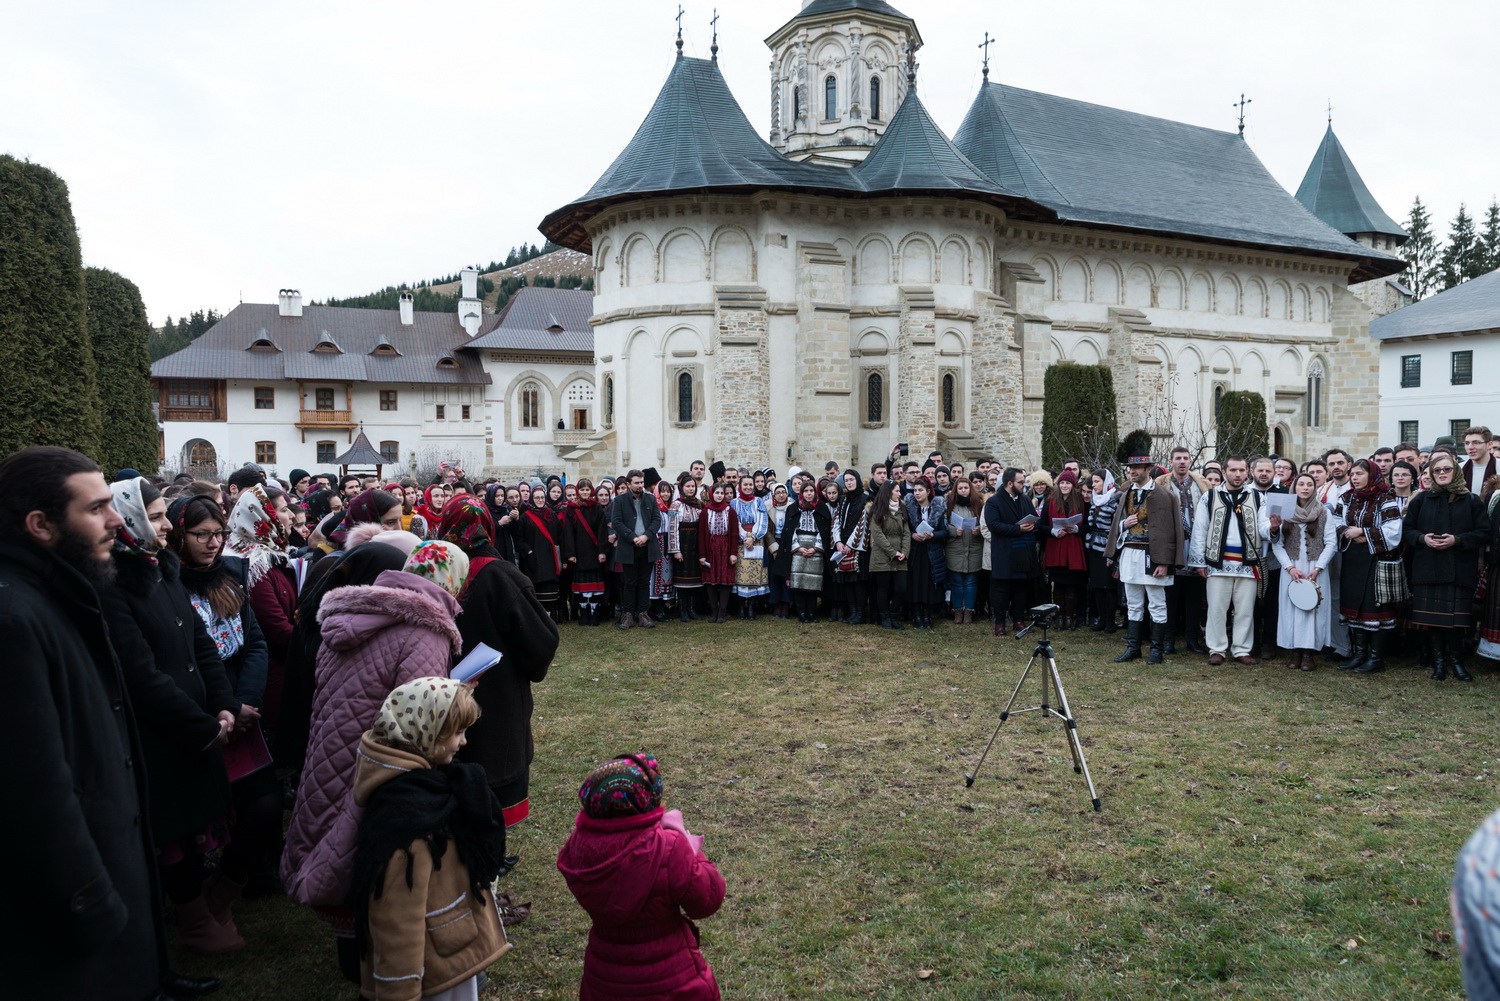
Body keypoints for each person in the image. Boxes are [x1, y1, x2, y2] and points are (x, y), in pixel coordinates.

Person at [0, 448, 178, 1001]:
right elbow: (34, 791)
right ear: (41, 525)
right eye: (97, 508)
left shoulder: (62, 592)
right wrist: (91, 900)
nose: (120, 519)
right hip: (75, 914)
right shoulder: (14, 619)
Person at [281, 549, 463, 983]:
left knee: (337, 843)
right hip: (381, 764)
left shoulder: (348, 618)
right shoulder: (425, 632)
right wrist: (456, 698)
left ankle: (352, 957)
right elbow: (419, 723)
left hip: (331, 751)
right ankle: (382, 971)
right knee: (374, 855)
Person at [101, 477, 247, 954]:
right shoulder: (115, 581)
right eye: (158, 516)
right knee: (174, 832)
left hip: (198, 719)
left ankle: (200, 910)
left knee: (199, 823)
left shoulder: (159, 568)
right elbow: (140, 672)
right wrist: (202, 724)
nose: (167, 526)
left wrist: (222, 703)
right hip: (162, 731)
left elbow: (198, 643)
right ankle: (190, 917)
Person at [349, 678, 510, 1000]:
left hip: (450, 952)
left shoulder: (430, 785)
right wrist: (400, 991)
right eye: (458, 733)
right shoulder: (406, 818)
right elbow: (395, 920)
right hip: (432, 974)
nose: (464, 743)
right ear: (426, 731)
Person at [170, 491, 281, 931]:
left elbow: (253, 641)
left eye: (218, 534)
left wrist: (246, 701)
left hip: (243, 705)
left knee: (264, 807)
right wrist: (223, 708)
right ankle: (193, 907)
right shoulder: (167, 586)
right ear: (180, 534)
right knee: (201, 818)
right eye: (201, 535)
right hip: (201, 712)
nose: (213, 543)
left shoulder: (230, 573)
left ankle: (227, 887)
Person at [437, 494, 559, 844]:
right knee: (492, 779)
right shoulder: (499, 575)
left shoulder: (437, 570)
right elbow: (540, 640)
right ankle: (486, 857)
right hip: (496, 697)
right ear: (487, 526)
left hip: (442, 695)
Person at [557, 754, 725, 1001]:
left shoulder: (579, 848)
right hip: (672, 979)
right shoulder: (668, 847)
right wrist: (690, 850)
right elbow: (706, 901)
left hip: (605, 977)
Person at [1403, 453, 1487, 681]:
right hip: (1427, 569)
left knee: (1456, 622)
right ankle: (1439, 664)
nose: (1441, 473)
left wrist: (1457, 540)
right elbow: (1407, 530)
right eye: (1437, 470)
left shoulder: (1471, 500)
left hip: (1458, 570)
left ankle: (1458, 663)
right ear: (1430, 474)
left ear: (1456, 471)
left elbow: (1483, 533)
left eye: (1446, 469)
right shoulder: (1421, 500)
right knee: (1433, 621)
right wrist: (1423, 539)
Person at [1106, 432, 1184, 664]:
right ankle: (1134, 648)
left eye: (1137, 468)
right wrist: (1124, 524)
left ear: (1148, 469)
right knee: (1134, 604)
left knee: (1158, 604)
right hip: (1130, 553)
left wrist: (1165, 562)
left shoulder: (1166, 496)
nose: (1132, 472)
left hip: (1154, 557)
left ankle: (1156, 651)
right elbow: (1117, 526)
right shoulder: (1126, 493)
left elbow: (1174, 531)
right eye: (1130, 468)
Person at [1188, 457, 1267, 666]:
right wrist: (1199, 561)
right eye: (1233, 470)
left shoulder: (1257, 497)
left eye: (1242, 470)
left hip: (1248, 562)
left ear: (1247, 473)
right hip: (1218, 561)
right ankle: (1217, 648)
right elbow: (1200, 530)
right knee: (1216, 609)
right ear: (1224, 472)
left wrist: (1274, 527)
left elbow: (1264, 528)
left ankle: (1241, 649)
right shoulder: (1211, 496)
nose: (1238, 474)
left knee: (1245, 609)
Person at [1330, 460, 1404, 675]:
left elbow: (1393, 530)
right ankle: (1359, 654)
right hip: (1352, 558)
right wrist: (1347, 531)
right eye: (1352, 474)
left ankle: (1375, 658)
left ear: (1371, 475)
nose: (1354, 477)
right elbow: (1334, 520)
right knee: (1354, 605)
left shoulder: (1385, 499)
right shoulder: (1346, 498)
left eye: (1360, 474)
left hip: (1375, 560)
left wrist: (1363, 532)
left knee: (1374, 607)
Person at [1263, 473, 1336, 670]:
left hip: (1315, 567)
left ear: (1314, 488)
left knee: (1313, 609)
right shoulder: (1284, 512)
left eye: (1309, 484)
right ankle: (1295, 651)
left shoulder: (1323, 512)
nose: (1305, 487)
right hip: (1292, 567)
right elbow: (1276, 544)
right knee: (1291, 609)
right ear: (1294, 487)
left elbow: (1331, 543)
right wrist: (1289, 567)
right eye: (1301, 484)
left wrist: (1319, 567)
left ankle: (1309, 653)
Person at [1159, 446, 1210, 656]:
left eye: (1185, 458)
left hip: (1197, 547)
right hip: (1172, 549)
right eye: (1178, 458)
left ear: (1190, 462)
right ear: (1171, 462)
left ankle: (1192, 639)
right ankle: (1168, 639)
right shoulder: (1161, 485)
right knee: (1170, 598)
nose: (1182, 462)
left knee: (1194, 598)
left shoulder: (1202, 485)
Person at [985, 467, 1042, 636]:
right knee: (1001, 590)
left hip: (1023, 553)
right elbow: (993, 525)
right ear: (1009, 483)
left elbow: (1035, 518)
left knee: (1020, 589)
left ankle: (1019, 620)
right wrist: (1018, 529)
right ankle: (1000, 623)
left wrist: (1033, 525)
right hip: (1005, 553)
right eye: (1020, 482)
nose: (1024, 485)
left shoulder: (1024, 499)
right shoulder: (994, 502)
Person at [773, 479, 831, 623]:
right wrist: (797, 547)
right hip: (798, 549)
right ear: (802, 492)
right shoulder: (793, 508)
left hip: (815, 549)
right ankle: (802, 613)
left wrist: (816, 547)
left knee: (813, 581)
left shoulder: (822, 508)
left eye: (811, 491)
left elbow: (824, 531)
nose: (809, 493)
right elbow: (789, 531)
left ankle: (812, 612)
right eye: (806, 491)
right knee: (799, 582)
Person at [610, 470, 662, 629]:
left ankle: (643, 613)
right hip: (628, 547)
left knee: (644, 582)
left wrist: (646, 536)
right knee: (629, 582)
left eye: (641, 482)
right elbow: (617, 522)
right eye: (637, 483)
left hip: (647, 547)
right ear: (628, 484)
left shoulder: (651, 499)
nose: (640, 485)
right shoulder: (619, 501)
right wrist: (632, 537)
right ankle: (628, 614)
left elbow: (656, 520)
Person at [1042, 470, 1087, 630]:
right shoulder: (1050, 501)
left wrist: (1076, 529)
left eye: (1067, 483)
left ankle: (1069, 617)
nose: (1064, 485)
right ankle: (1059, 617)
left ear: (1073, 485)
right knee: (1059, 585)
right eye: (1062, 483)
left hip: (1074, 547)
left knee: (1072, 585)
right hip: (1057, 546)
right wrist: (1053, 531)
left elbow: (1088, 526)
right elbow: (1042, 525)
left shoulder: (1081, 501)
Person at [563, 478, 610, 626]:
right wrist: (570, 553)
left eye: (587, 490)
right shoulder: (571, 508)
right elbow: (568, 532)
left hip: (594, 552)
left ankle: (594, 615)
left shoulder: (596, 508)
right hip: (579, 553)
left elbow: (602, 531)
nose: (584, 492)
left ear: (591, 491)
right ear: (578, 491)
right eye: (582, 489)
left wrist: (602, 551)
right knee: (582, 589)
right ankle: (584, 615)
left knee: (594, 587)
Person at [903, 477, 948, 629]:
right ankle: (917, 615)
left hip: (931, 551)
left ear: (928, 492)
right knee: (915, 582)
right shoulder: (910, 509)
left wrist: (933, 535)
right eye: (915, 490)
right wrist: (912, 535)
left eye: (920, 490)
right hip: (916, 551)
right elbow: (904, 529)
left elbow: (945, 532)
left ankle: (927, 616)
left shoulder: (937, 509)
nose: (917, 493)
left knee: (928, 583)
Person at [868, 480, 911, 630]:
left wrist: (904, 552)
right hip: (882, 556)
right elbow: (877, 535)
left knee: (901, 588)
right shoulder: (877, 511)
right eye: (897, 491)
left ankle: (894, 616)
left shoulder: (902, 509)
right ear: (889, 492)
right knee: (883, 588)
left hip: (900, 557)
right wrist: (892, 552)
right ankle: (885, 617)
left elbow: (906, 533)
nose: (900, 494)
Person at [519, 485, 564, 622]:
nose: (539, 500)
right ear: (532, 499)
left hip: (550, 558)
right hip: (534, 558)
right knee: (536, 588)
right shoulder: (525, 517)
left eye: (542, 497)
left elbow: (559, 536)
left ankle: (550, 617)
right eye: (537, 497)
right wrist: (528, 551)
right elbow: (519, 538)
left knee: (550, 588)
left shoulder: (552, 515)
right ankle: (538, 620)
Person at [945, 475, 984, 624]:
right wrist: (954, 531)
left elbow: (985, 523)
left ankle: (968, 611)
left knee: (971, 582)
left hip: (974, 547)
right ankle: (957, 611)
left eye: (966, 488)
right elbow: (943, 525)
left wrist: (978, 530)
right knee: (956, 582)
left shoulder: (977, 504)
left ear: (970, 489)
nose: (963, 491)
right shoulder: (949, 504)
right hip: (955, 548)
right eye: (960, 488)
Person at [730, 477, 771, 617]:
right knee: (741, 575)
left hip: (756, 541)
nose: (748, 487)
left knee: (755, 574)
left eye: (750, 484)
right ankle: (741, 607)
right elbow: (734, 521)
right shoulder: (734, 503)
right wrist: (744, 538)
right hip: (740, 542)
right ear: (740, 486)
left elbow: (762, 521)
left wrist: (752, 537)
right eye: (745, 484)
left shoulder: (758, 501)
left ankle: (751, 607)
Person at [1085, 471, 1121, 633]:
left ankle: (1110, 622)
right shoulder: (1094, 499)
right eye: (1093, 482)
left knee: (1109, 586)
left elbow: (1117, 528)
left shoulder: (1116, 500)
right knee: (1097, 585)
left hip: (1108, 547)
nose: (1094, 485)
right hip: (1093, 547)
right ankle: (1101, 619)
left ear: (1106, 482)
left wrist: (1113, 553)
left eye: (1097, 481)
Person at [700, 482, 740, 622]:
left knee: (724, 581)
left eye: (721, 493)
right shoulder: (706, 511)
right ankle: (714, 611)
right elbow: (702, 535)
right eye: (717, 493)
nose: (719, 496)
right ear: (712, 494)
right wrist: (702, 555)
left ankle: (722, 612)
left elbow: (734, 533)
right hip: (710, 548)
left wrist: (733, 553)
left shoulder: (730, 511)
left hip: (725, 548)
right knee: (711, 581)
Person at [671, 474, 705, 620]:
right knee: (682, 579)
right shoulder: (676, 505)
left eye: (692, 486)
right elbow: (672, 528)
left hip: (695, 543)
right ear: (682, 488)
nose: (691, 489)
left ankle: (692, 609)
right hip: (682, 542)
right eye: (688, 486)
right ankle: (682, 610)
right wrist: (676, 550)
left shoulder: (700, 504)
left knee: (694, 579)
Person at [649, 479, 677, 623]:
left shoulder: (672, 508)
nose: (665, 494)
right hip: (657, 542)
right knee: (656, 578)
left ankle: (664, 606)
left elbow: (674, 525)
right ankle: (656, 608)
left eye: (668, 491)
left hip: (669, 543)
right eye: (663, 491)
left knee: (667, 576)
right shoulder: (654, 508)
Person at [1462, 425, 1498, 493]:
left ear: (1489, 444)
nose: (1470, 447)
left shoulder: (1498, 467)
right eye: (1467, 443)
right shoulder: (1459, 468)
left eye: (1476, 443)